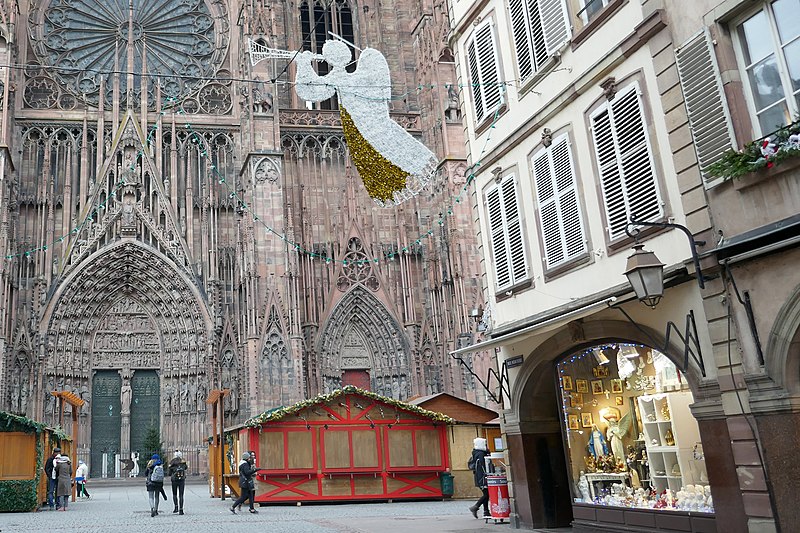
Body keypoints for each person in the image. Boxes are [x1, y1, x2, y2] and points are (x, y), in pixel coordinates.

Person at [468, 437, 492, 519]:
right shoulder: (481, 454)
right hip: (482, 477)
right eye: (485, 444)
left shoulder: (476, 453)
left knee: (486, 494)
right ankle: (476, 507)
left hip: (479, 477)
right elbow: (483, 466)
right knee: (487, 494)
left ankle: (486, 511)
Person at [168, 450, 188, 515]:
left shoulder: (172, 462)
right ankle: (181, 509)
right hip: (182, 480)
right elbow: (186, 468)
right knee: (181, 495)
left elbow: (169, 473)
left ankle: (176, 507)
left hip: (174, 480)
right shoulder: (183, 462)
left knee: (174, 494)